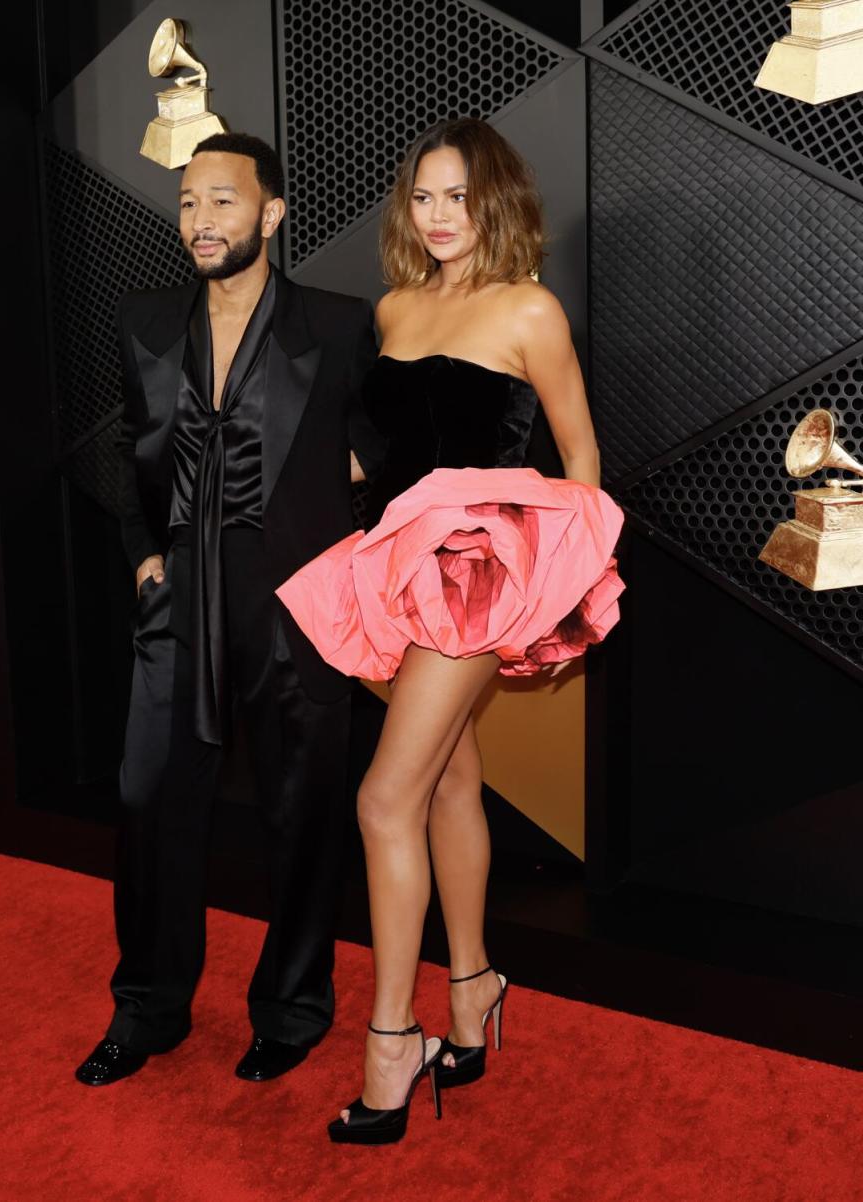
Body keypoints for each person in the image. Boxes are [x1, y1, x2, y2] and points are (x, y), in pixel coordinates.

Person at [276, 118, 623, 1144]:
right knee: (448, 782)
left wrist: (541, 587)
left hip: (481, 571)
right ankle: (473, 992)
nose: (436, 217)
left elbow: (583, 463)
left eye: (457, 197)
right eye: (422, 197)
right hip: (397, 563)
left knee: (386, 796)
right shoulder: (392, 306)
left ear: (496, 202)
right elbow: (386, 452)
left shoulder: (529, 310)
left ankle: (395, 1042)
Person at [74, 132, 382, 1087]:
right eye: (188, 205)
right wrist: (143, 561)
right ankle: (149, 1008)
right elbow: (130, 454)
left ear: (272, 214)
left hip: (293, 599)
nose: (200, 222)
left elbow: (379, 454)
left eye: (222, 202)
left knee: (304, 809)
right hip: (179, 596)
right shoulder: (147, 318)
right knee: (148, 800)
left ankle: (291, 1009)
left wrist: (334, 544)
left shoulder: (335, 324)